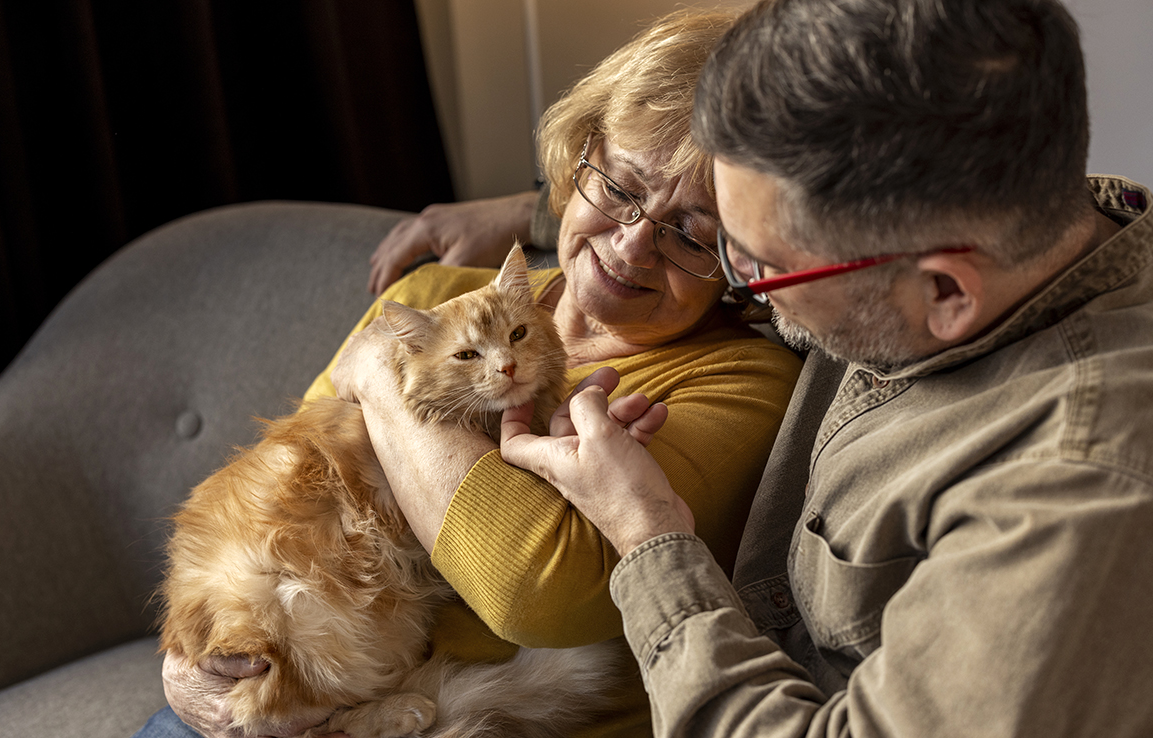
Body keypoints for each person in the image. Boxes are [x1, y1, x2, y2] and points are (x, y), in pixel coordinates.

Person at [490, 0, 1153, 735]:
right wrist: (533, 213)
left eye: (757, 265)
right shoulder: (998, 219)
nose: (737, 284)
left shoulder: (1077, 489)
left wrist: (646, 530)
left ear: (943, 294)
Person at [141, 7, 803, 738]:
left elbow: (536, 591)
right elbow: (282, 501)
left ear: (745, 257)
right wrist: (190, 660)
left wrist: (383, 387)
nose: (632, 245)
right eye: (618, 190)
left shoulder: (745, 382)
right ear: (578, 166)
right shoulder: (427, 298)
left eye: (690, 234)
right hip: (293, 693)